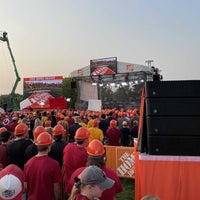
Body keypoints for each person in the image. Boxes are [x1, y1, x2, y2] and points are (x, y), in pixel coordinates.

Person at [24, 132, 62, 200]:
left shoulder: (28, 164)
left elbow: (26, 187)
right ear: (48, 147)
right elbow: (56, 188)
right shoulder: (54, 164)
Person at [63, 127, 90, 197]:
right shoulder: (85, 154)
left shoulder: (68, 147)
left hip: (68, 184)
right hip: (79, 188)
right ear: (85, 140)